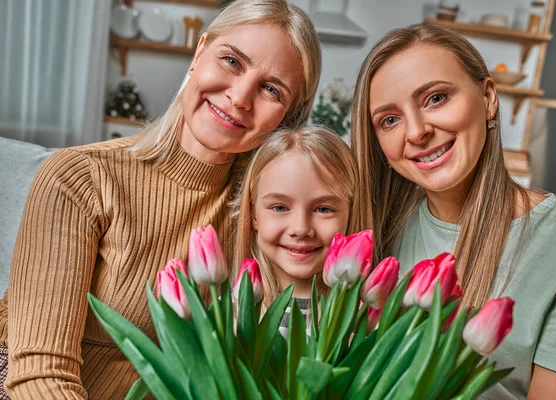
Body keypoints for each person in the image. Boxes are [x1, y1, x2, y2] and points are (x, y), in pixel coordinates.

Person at [0, 0, 322, 398]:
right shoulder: (81, 178)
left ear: (288, 118)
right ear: (200, 52)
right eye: (231, 62)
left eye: (271, 89)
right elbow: (38, 375)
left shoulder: (270, 216)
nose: (240, 97)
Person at [351, 23, 556, 399]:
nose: (416, 132)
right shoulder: (377, 230)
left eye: (436, 98)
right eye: (389, 119)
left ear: (488, 98)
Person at [230, 125, 362, 338]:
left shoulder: (364, 319)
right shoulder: (227, 317)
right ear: (254, 215)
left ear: (350, 214)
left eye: (323, 209)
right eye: (280, 207)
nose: (300, 229)